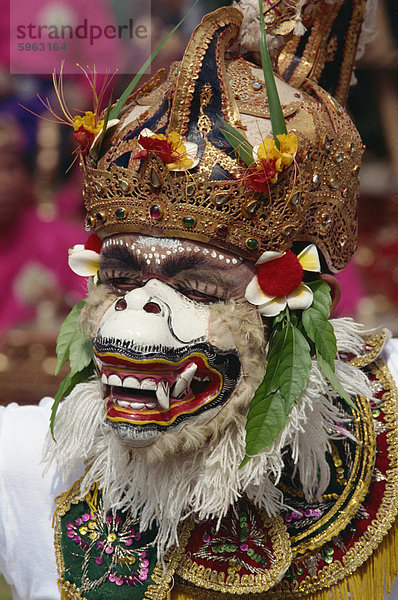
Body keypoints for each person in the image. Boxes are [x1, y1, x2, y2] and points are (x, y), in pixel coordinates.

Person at [1, 1, 398, 599]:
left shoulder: (379, 408)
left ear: (284, 303)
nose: (135, 312)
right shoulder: (34, 462)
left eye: (200, 287)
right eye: (121, 278)